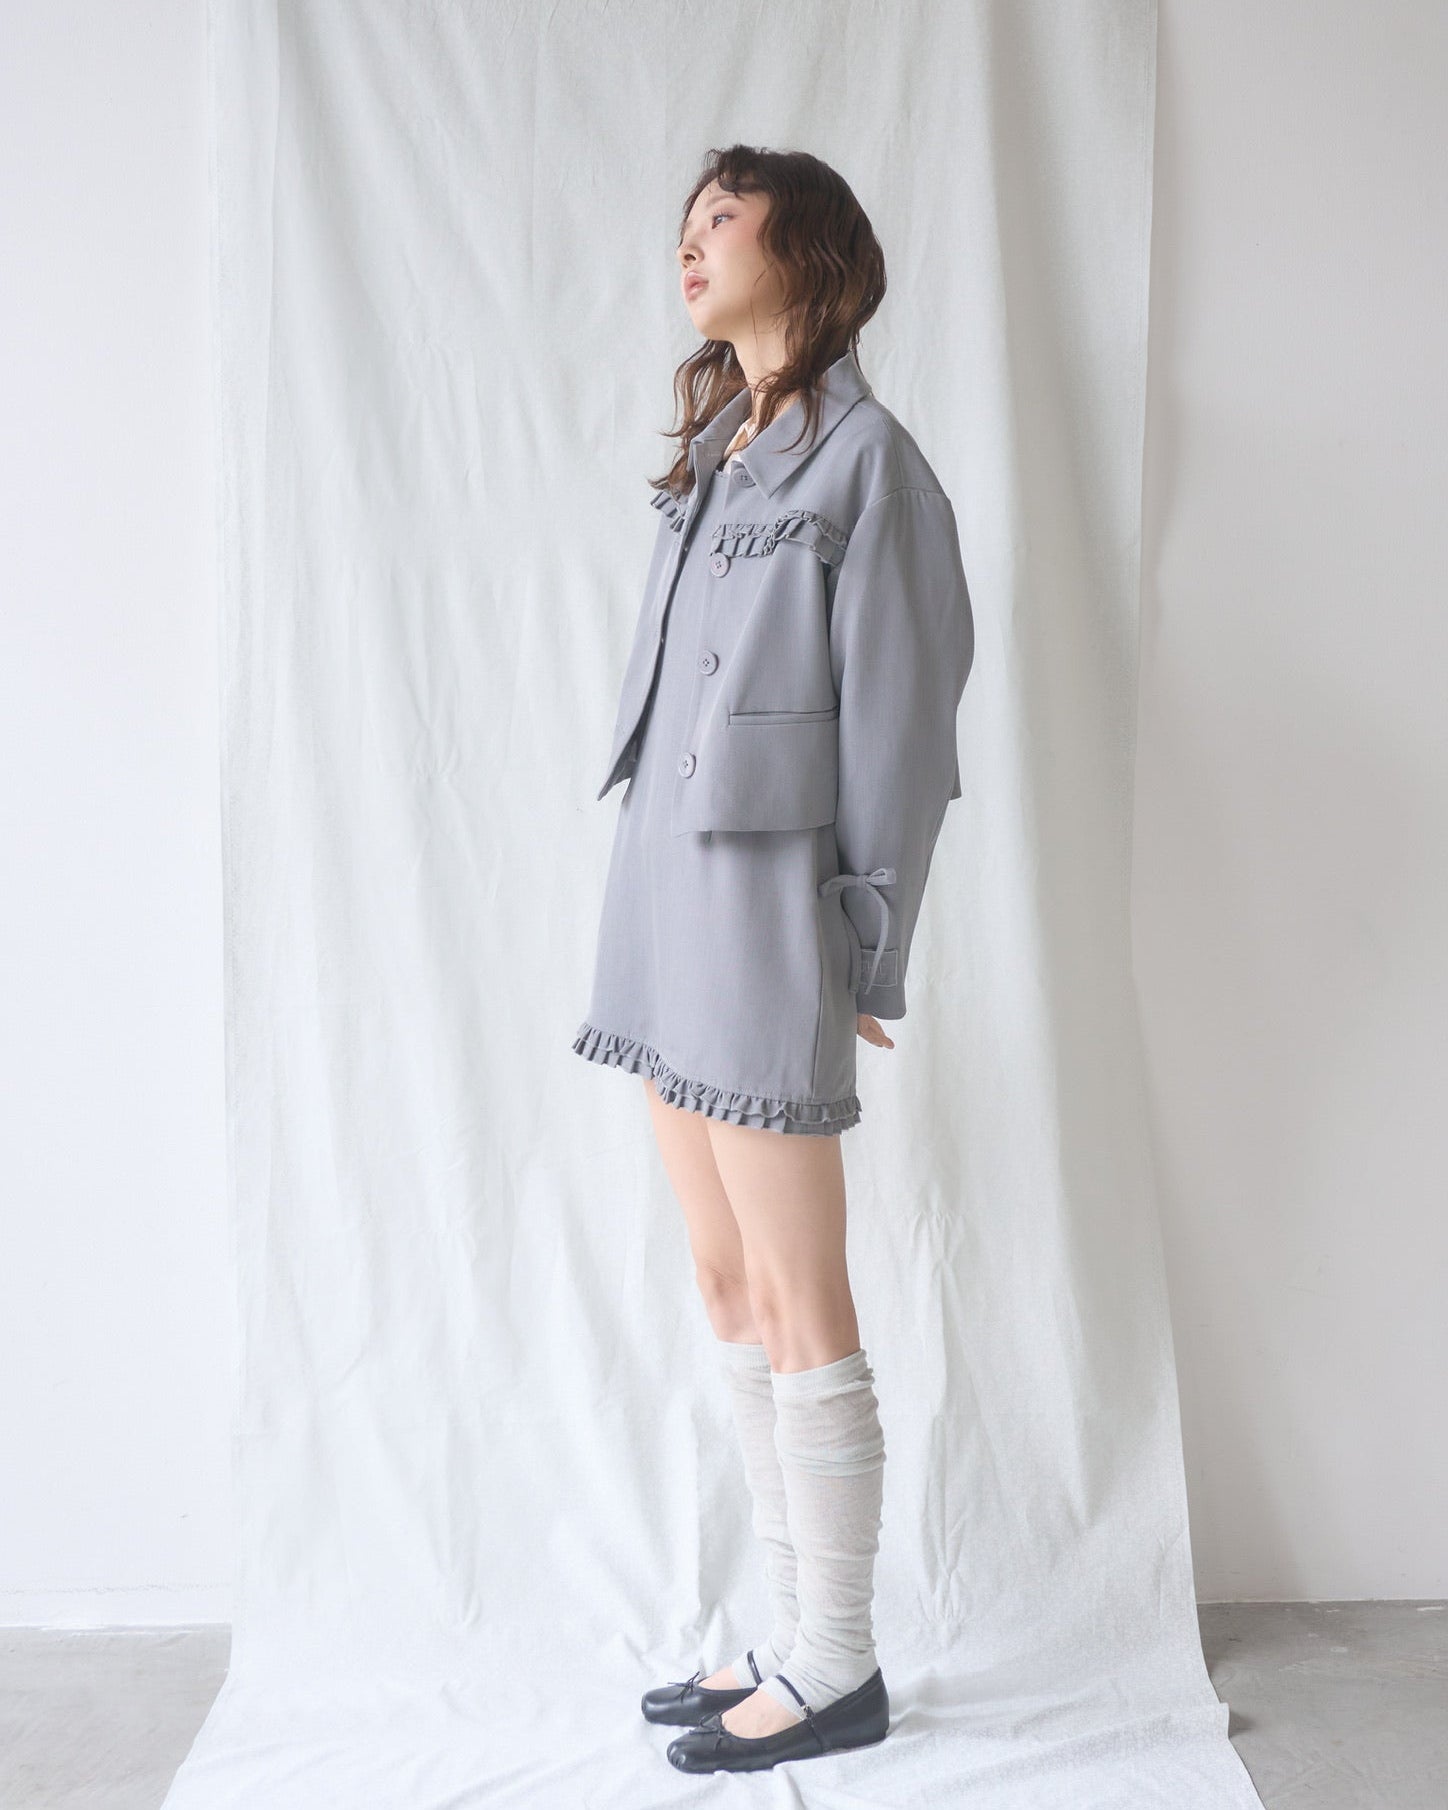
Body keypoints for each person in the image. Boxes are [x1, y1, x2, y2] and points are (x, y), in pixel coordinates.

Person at [572, 144, 974, 1774]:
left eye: (721, 220)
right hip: (663, 903)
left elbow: (904, 731)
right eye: (683, 224)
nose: (690, 244)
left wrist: (863, 942)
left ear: (806, 247)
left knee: (803, 1294)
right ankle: (789, 1626)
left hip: (765, 914)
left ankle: (838, 1661)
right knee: (727, 1280)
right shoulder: (720, 458)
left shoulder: (874, 469)